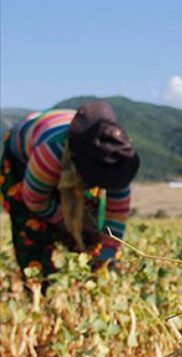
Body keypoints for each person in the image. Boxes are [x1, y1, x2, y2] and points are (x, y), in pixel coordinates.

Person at [1, 101, 139, 281]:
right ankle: (39, 286)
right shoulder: (51, 151)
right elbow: (34, 199)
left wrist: (107, 256)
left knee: (90, 226)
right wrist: (65, 223)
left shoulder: (117, 158)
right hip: (23, 159)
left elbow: (116, 215)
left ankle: (88, 276)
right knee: (32, 227)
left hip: (72, 153)